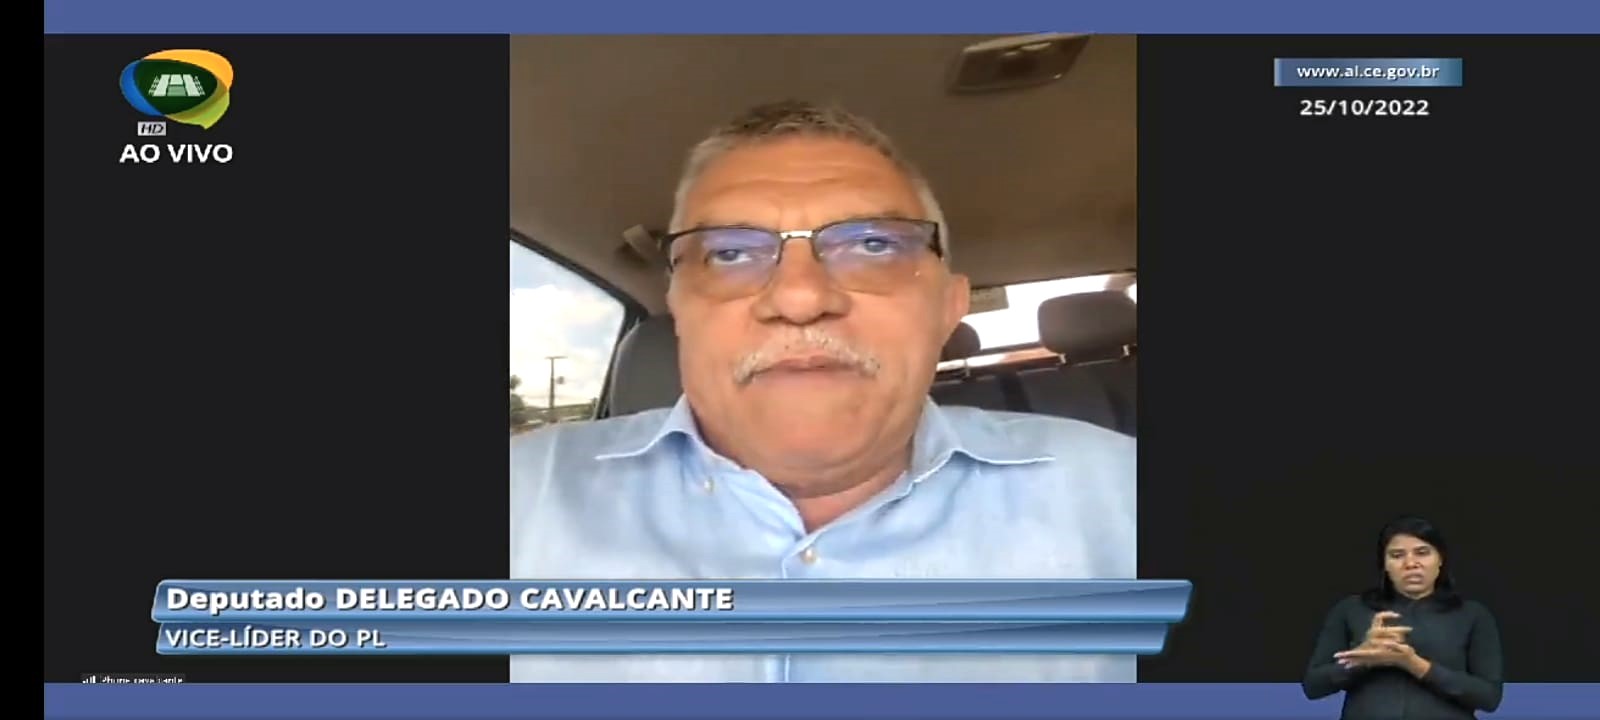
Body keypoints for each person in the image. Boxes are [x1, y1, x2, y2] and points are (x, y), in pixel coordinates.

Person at [510, 100, 1136, 682]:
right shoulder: (521, 498)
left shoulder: (1119, 492)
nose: (800, 298)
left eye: (872, 244)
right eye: (730, 253)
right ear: (679, 309)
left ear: (949, 307)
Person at [1302, 516, 1504, 718]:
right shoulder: (1351, 609)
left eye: (1422, 553)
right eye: (1397, 555)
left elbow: (1489, 697)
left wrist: (1415, 665)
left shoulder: (1472, 614)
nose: (1410, 563)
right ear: (1385, 564)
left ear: (1440, 559)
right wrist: (1363, 658)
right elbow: (1313, 687)